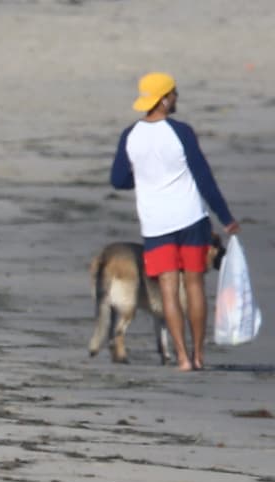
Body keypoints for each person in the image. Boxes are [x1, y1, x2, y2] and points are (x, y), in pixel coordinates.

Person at [110, 71, 241, 371]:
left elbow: (117, 180)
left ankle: (181, 357)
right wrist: (226, 217)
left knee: (168, 288)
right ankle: (198, 355)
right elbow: (203, 177)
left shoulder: (130, 135)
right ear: (165, 99)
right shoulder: (180, 131)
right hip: (191, 219)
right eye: (175, 94)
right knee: (194, 285)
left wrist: (143, 179)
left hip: (156, 224)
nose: (177, 98)